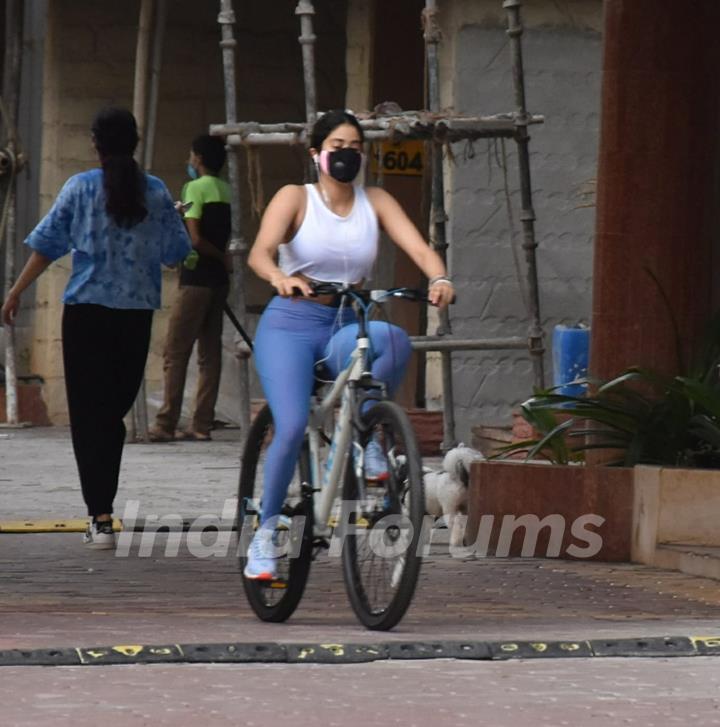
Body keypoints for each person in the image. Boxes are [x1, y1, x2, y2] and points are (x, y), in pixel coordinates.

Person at [244, 109, 454, 579]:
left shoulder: (374, 200)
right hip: (292, 323)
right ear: (317, 153)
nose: (347, 155)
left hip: (347, 320)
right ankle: (265, 531)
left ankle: (369, 435)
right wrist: (279, 275)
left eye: (356, 148)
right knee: (294, 422)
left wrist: (438, 276)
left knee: (394, 341)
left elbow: (418, 248)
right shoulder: (295, 198)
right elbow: (260, 251)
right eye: (337, 147)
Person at [1, 108, 191, 549]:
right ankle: (104, 506)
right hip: (135, 314)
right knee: (111, 415)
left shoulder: (79, 188)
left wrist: (15, 292)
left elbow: (46, 247)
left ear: (95, 144)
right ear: (135, 142)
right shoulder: (157, 192)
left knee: (89, 418)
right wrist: (171, 216)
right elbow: (175, 254)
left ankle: (100, 516)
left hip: (85, 313)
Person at [149, 135, 232, 442]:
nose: (190, 161)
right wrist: (224, 259)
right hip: (219, 280)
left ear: (198, 158)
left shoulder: (194, 188)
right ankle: (202, 424)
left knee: (176, 350)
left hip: (196, 277)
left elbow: (195, 239)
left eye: (191, 156)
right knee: (210, 354)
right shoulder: (226, 190)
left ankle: (166, 422)